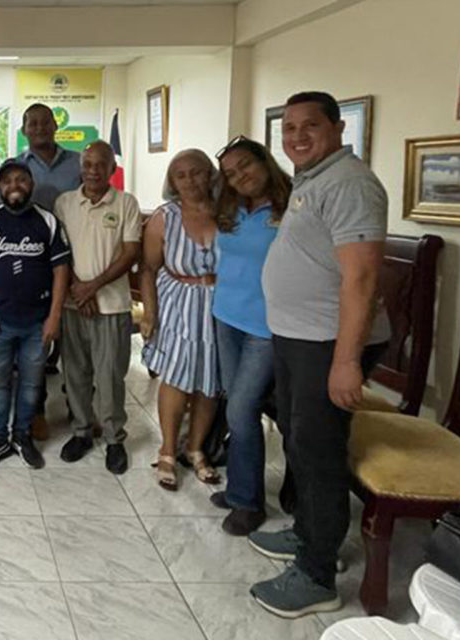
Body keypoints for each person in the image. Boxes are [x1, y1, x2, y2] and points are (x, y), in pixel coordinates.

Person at [249, 91, 389, 618]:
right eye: (288, 128)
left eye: (310, 126)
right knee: (299, 434)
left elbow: (363, 276)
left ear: (337, 129)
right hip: (300, 337)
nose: (296, 137)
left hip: (329, 343)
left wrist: (346, 361)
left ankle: (316, 574)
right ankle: (310, 532)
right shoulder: (314, 180)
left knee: (317, 449)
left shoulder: (351, 182)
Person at [205, 136, 293, 537]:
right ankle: (243, 484)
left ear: (264, 160)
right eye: (230, 173)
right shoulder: (231, 206)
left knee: (241, 410)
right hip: (227, 314)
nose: (240, 177)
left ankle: (247, 502)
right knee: (236, 405)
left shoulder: (293, 206)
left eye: (245, 166)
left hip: (268, 326)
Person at [0, 159, 70, 470]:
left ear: (31, 184)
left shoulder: (47, 221)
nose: (15, 185)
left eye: (21, 179)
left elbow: (61, 269)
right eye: (8, 180)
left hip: (37, 323)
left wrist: (54, 317)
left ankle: (22, 436)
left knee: (31, 385)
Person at [54, 141, 141, 475]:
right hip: (72, 305)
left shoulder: (125, 204)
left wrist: (92, 287)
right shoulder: (65, 202)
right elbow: (60, 250)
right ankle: (81, 431)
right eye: (87, 164)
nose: (92, 170)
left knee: (110, 377)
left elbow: (130, 253)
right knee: (74, 373)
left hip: (112, 306)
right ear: (80, 166)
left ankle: (114, 438)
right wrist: (79, 290)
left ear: (111, 168)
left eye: (99, 165)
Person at [139, 149, 223, 492]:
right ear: (172, 182)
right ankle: (168, 450)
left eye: (197, 172)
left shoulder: (229, 214)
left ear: (211, 175)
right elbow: (147, 268)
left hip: (220, 306)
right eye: (181, 175)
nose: (190, 180)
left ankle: (195, 447)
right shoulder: (165, 217)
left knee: (210, 380)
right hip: (177, 303)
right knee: (175, 378)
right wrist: (150, 313)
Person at [16, 103, 83, 440]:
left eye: (45, 122)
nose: (39, 127)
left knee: (75, 341)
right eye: (33, 123)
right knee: (38, 340)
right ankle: (38, 409)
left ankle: (78, 405)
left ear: (55, 125)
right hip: (34, 262)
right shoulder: (16, 167)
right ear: (24, 129)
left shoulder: (78, 163)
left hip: (79, 258)